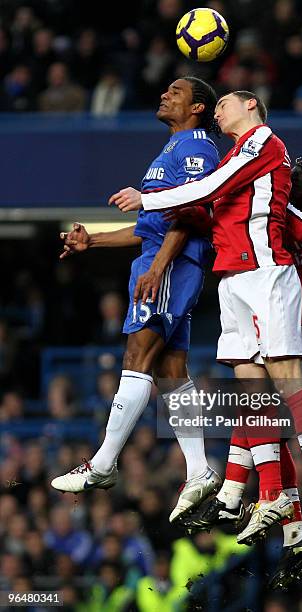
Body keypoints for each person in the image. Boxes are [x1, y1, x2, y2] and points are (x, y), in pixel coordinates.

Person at [112, 91, 302, 543]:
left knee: (286, 378)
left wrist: (149, 199)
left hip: (265, 274)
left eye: (223, 105)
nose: (216, 111)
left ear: (251, 104)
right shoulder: (237, 151)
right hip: (232, 280)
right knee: (252, 390)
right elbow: (205, 205)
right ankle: (276, 497)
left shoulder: (264, 142)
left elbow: (209, 190)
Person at [185, 158, 302, 589]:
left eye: (298, 183)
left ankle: (246, 490)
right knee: (262, 406)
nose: (290, 186)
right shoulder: (277, 226)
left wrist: (268, 196)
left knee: (259, 382)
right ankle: (293, 529)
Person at [51, 77, 222, 524]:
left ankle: (104, 464)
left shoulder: (197, 150)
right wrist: (94, 242)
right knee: (170, 370)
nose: (165, 95)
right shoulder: (173, 148)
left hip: (170, 266)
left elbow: (191, 213)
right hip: (163, 262)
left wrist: (160, 266)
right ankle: (200, 468)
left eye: (176, 92)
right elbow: (151, 226)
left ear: (199, 107)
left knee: (136, 355)